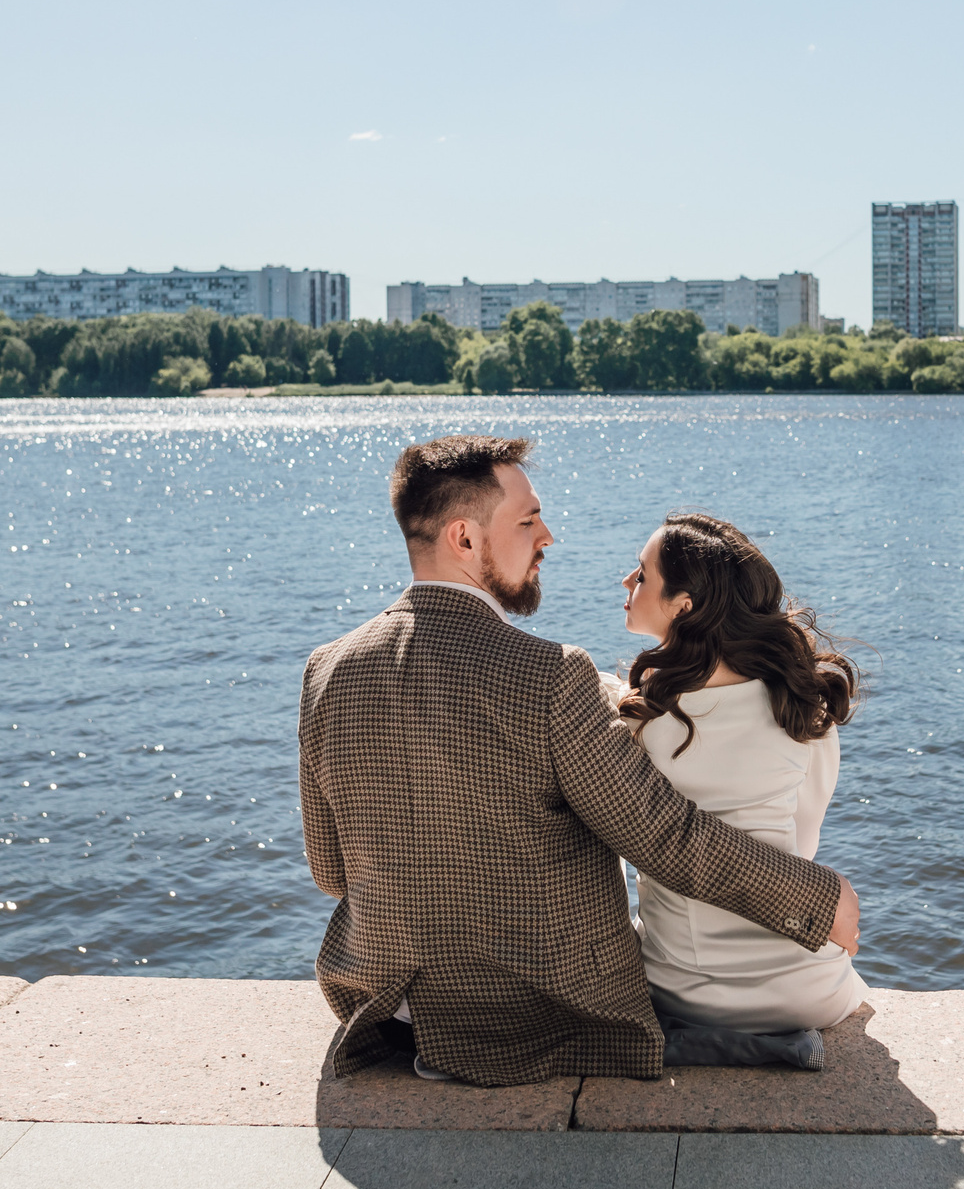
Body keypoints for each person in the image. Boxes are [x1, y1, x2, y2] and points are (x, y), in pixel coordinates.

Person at [297, 434, 861, 1088]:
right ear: (465, 538)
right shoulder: (551, 676)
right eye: (529, 520)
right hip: (535, 1015)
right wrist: (818, 900)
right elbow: (665, 835)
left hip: (391, 1007)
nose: (549, 537)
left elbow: (330, 871)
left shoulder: (325, 670)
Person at [612, 513, 866, 1067]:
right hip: (808, 991)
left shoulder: (642, 721)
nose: (626, 583)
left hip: (683, 988)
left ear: (683, 605)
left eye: (641, 574)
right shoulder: (802, 705)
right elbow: (804, 840)